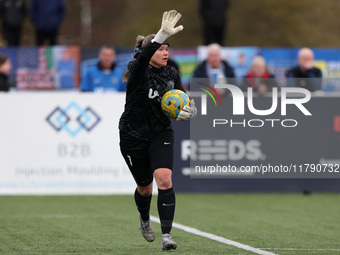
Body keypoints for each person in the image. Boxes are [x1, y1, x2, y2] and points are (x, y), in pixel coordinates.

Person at [119, 10, 196, 251]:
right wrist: (160, 33)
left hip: (161, 132)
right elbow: (141, 60)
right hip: (132, 135)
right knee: (145, 187)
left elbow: (183, 99)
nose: (165, 52)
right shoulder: (137, 69)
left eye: (167, 48)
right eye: (161, 48)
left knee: (164, 179)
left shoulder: (172, 72)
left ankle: (167, 236)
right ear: (151, 51)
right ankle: (144, 219)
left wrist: (188, 111)